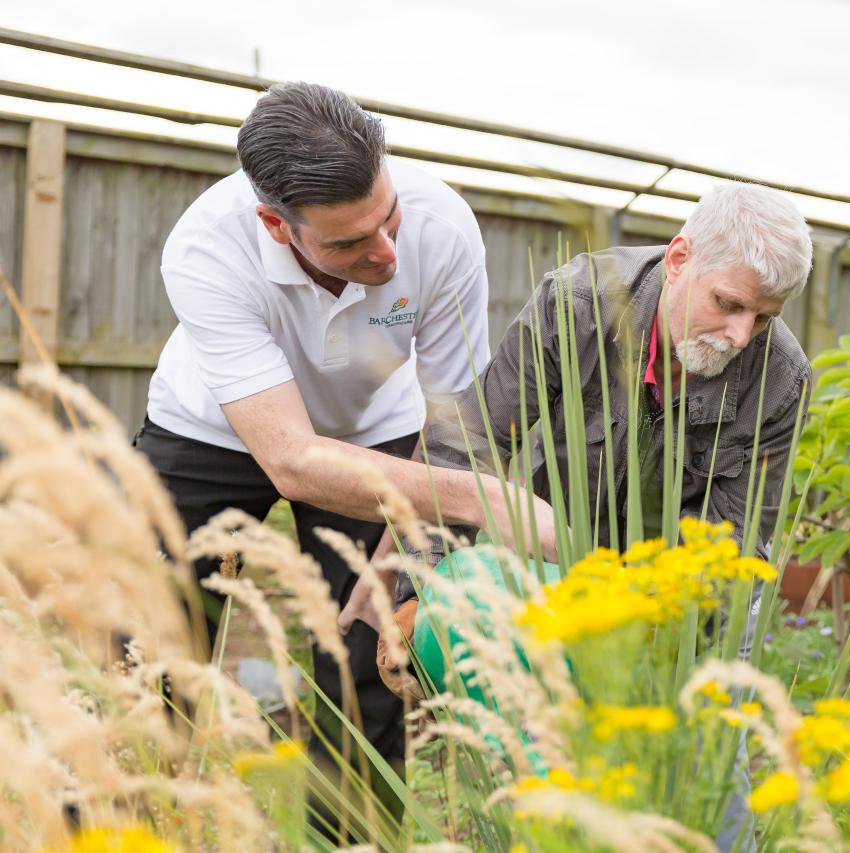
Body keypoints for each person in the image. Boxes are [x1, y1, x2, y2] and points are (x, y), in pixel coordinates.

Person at [133, 81, 557, 835]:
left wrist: (396, 553)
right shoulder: (206, 248)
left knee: (369, 658)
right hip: (217, 428)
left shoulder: (442, 226)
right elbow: (292, 459)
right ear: (274, 223)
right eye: (350, 243)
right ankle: (143, 820)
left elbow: (458, 424)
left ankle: (351, 842)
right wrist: (482, 502)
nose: (387, 253)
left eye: (387, 219)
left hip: (379, 434)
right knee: (151, 644)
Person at [362, 181, 814, 851]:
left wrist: (636, 643)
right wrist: (418, 587)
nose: (742, 334)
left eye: (765, 316)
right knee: (549, 747)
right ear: (682, 256)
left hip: (688, 596)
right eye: (730, 303)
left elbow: (737, 548)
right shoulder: (579, 304)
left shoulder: (779, 379)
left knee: (704, 765)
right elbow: (473, 443)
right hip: (561, 555)